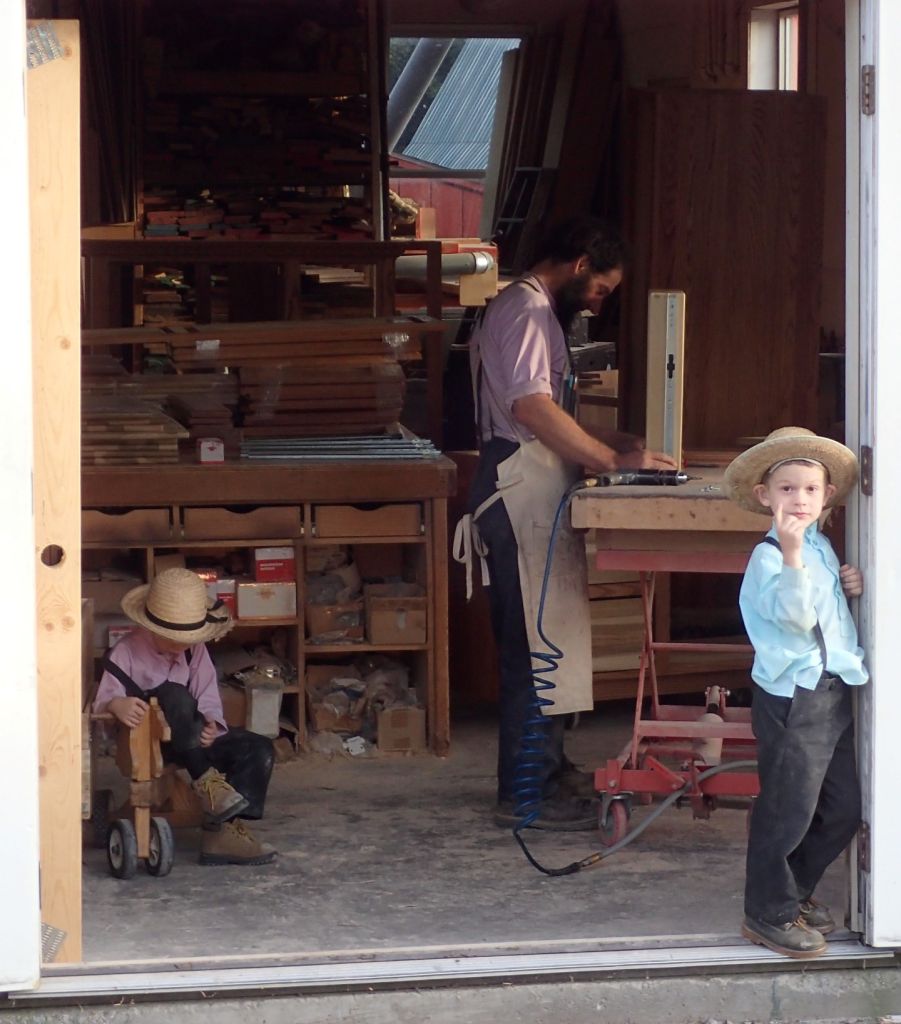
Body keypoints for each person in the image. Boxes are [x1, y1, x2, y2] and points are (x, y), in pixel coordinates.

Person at [458, 215, 676, 831]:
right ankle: (526, 793)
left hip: (531, 484)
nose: (600, 301)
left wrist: (619, 439)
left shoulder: (530, 310)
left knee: (545, 639)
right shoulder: (526, 310)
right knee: (534, 649)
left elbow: (545, 410)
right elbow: (529, 408)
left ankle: (547, 771)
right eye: (602, 288)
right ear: (580, 264)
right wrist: (610, 462)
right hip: (518, 485)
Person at [723, 426, 868, 958]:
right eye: (787, 489)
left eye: (809, 489)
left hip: (831, 689)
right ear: (765, 496)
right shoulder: (771, 556)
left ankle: (796, 891)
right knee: (787, 809)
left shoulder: (821, 546)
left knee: (842, 807)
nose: (799, 499)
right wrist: (789, 554)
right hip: (793, 696)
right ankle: (768, 912)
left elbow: (826, 610)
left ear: (826, 496)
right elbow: (796, 615)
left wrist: (847, 582)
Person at [93, 568, 277, 866]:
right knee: (173, 693)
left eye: (188, 638)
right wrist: (116, 705)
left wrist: (211, 723)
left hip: (192, 738)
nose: (183, 645)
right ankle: (207, 782)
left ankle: (222, 832)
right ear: (151, 627)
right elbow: (101, 705)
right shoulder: (125, 653)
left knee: (259, 748)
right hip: (148, 742)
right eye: (174, 638)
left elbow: (208, 697)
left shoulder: (195, 651)